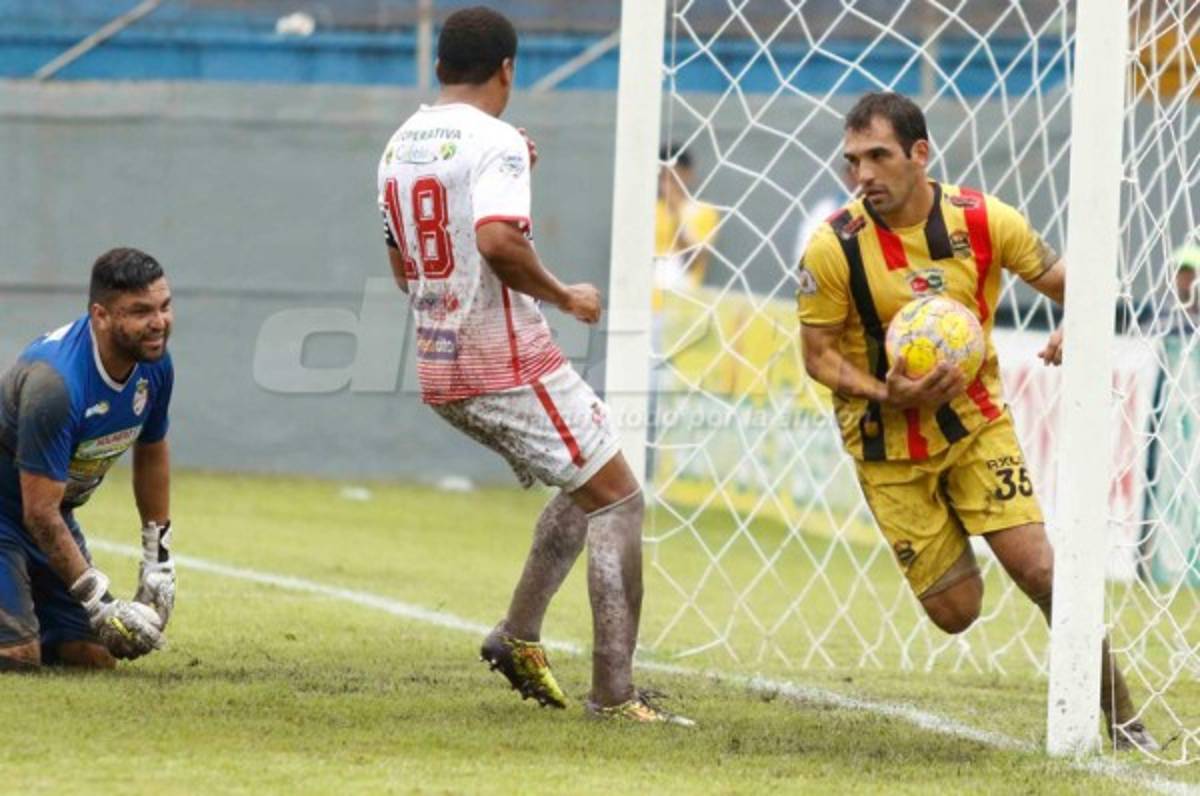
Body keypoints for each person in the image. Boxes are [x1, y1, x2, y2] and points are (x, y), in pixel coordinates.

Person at [796, 91, 1157, 751]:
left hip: (975, 427)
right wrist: (886, 393)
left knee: (1042, 571)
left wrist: (1077, 321)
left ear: (920, 153)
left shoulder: (985, 220)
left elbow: (1079, 285)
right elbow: (817, 356)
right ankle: (951, 530)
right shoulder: (833, 247)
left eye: (878, 156)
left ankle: (1126, 723)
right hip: (886, 446)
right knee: (956, 611)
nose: (862, 175)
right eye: (852, 161)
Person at [376, 6, 691, 725]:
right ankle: (615, 697)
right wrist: (565, 294)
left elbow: (403, 269)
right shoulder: (498, 141)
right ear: (508, 69)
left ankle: (517, 633)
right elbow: (496, 242)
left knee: (591, 477)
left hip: (440, 361)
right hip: (505, 358)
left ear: (439, 66)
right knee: (619, 499)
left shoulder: (398, 146)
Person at [0, 247, 176, 670]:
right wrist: (99, 602)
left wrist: (158, 559)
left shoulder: (154, 364)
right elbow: (39, 513)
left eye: (164, 306)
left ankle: (32, 617)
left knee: (95, 658)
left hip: (49, 514)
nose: (159, 323)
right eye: (141, 311)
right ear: (101, 315)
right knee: (18, 657)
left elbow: (151, 450)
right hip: (13, 515)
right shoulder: (56, 385)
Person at [654, 144, 720, 293]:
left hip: (684, 296)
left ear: (688, 175)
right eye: (663, 178)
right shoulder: (650, 211)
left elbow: (694, 260)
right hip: (646, 296)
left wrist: (676, 212)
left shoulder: (704, 212)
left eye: (673, 178)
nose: (667, 185)